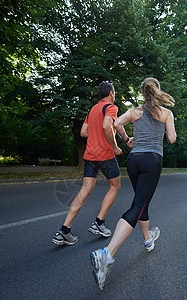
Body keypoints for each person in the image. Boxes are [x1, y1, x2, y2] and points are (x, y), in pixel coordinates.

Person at [90, 77, 177, 290]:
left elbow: (116, 124)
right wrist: (167, 128)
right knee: (138, 205)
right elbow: (172, 139)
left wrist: (127, 139)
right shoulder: (166, 113)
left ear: (143, 92)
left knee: (141, 202)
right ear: (157, 91)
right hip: (152, 161)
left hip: (134, 160)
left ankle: (148, 239)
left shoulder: (134, 111)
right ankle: (107, 254)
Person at [52, 81, 133, 246]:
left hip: (90, 155)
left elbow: (83, 132)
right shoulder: (111, 107)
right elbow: (106, 126)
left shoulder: (93, 109)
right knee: (115, 186)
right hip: (105, 154)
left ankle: (64, 230)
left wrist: (97, 136)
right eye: (114, 92)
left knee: (85, 189)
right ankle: (99, 223)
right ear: (111, 93)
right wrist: (115, 146)